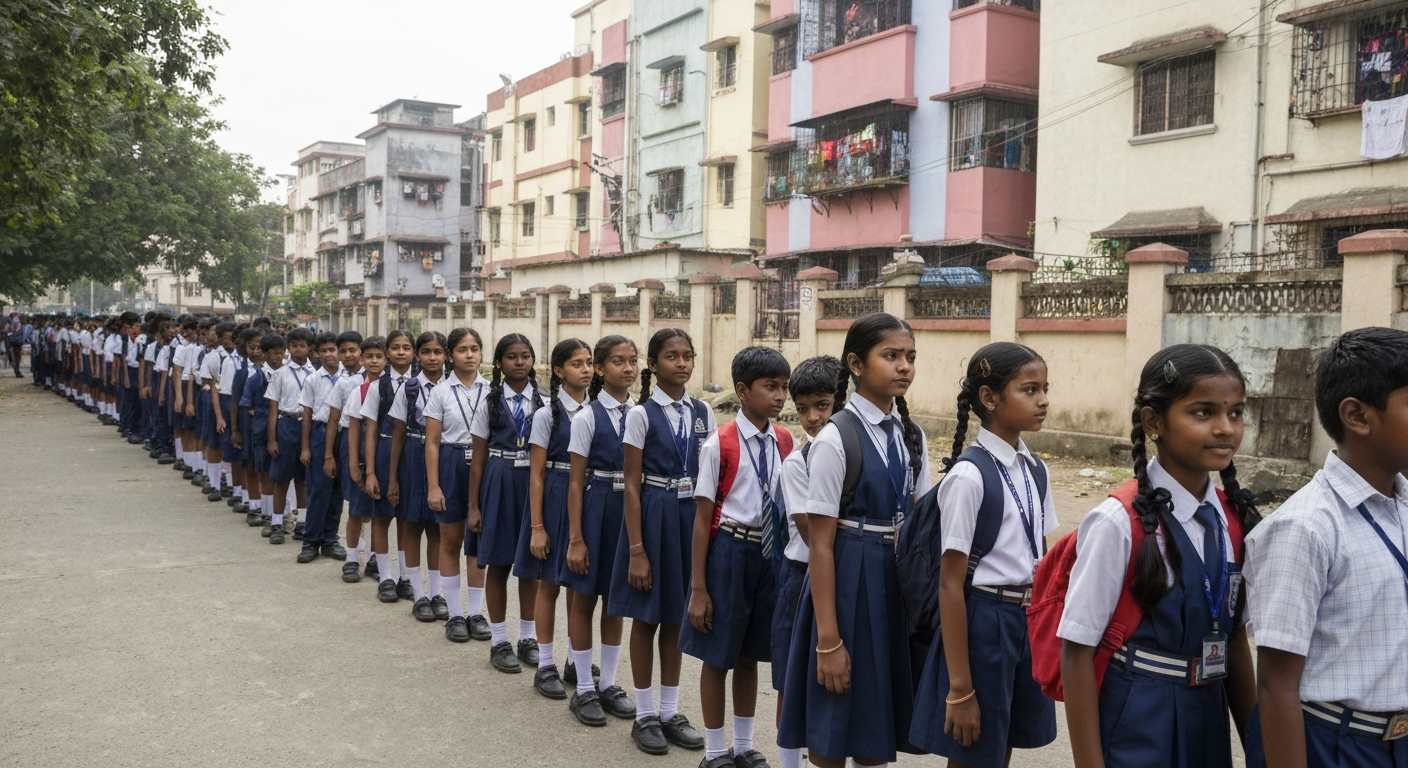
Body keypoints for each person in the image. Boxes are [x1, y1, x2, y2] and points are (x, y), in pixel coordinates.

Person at [1058, 344, 1260, 768]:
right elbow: (1076, 653)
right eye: (1203, 413)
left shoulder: (1234, 518)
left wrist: (1258, 749)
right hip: (1139, 719)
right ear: (1154, 421)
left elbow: (1235, 640)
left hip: (1207, 712)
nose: (1225, 428)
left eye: (1236, 412)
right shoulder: (1118, 522)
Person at [1245, 327, 1408, 768]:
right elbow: (1276, 684)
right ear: (1357, 416)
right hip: (1334, 744)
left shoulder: (1404, 504)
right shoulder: (1305, 528)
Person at [777, 312, 932, 768]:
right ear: (857, 365)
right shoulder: (835, 439)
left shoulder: (911, 435)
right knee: (832, 716)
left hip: (893, 585)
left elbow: (921, 521)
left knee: (874, 719)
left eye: (910, 357)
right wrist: (828, 640)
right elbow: (821, 545)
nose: (904, 366)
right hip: (846, 582)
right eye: (891, 356)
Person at [909, 342, 1058, 768]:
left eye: (1045, 389)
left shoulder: (1035, 469)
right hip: (982, 623)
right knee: (971, 747)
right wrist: (960, 688)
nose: (1043, 400)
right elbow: (950, 584)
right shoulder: (969, 476)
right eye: (1030, 389)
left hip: (1023, 620)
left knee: (1001, 744)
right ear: (990, 398)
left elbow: (1040, 559)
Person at [682, 346, 794, 768]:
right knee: (718, 654)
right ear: (743, 391)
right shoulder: (720, 444)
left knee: (750, 654)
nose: (780, 396)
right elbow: (702, 517)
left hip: (769, 554)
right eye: (771, 387)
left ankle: (744, 746)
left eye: (784, 387)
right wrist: (698, 587)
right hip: (729, 550)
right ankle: (714, 751)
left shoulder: (785, 440)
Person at [610, 327, 713, 756]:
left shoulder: (704, 411)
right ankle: (646, 714)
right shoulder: (640, 414)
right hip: (652, 514)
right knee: (646, 617)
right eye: (672, 356)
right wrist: (637, 550)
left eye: (687, 355)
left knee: (676, 617)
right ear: (653, 365)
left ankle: (670, 712)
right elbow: (631, 485)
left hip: (688, 517)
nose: (683, 363)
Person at [563, 335, 640, 726]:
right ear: (599, 369)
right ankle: (584, 688)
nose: (627, 368)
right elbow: (575, 482)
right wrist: (575, 537)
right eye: (616, 361)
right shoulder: (587, 417)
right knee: (583, 597)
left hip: (629, 511)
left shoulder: (641, 414)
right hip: (597, 508)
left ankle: (608, 683)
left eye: (632, 361)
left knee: (616, 599)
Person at [773, 355, 840, 768]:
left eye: (822, 405)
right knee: (792, 682)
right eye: (802, 409)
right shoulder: (797, 463)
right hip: (803, 576)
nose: (812, 418)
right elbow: (817, 535)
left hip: (845, 575)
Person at [517, 338, 592, 699]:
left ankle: (576, 660)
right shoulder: (547, 414)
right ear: (559, 371)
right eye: (577, 363)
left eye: (590, 362)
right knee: (549, 583)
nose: (587, 369)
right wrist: (537, 526)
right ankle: (544, 663)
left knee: (580, 587)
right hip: (555, 497)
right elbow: (536, 474)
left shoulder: (599, 412)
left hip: (588, 501)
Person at [468, 333, 545, 674]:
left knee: (530, 566)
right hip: (499, 479)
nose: (519, 362)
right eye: (511, 356)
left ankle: (527, 637)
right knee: (498, 564)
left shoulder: (545, 401)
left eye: (525, 356)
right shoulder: (489, 401)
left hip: (533, 482)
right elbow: (478, 458)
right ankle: (499, 640)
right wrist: (474, 505)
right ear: (498, 363)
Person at [424, 327, 489, 640]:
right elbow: (433, 442)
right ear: (450, 356)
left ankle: (476, 613)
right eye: (462, 349)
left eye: (475, 348)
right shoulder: (440, 392)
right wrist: (434, 485)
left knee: (477, 541)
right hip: (451, 462)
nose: (470, 355)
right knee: (450, 540)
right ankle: (454, 613)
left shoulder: (491, 390)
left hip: (483, 466)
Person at [387, 331, 448, 620]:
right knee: (411, 525)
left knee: (437, 528)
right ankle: (418, 593)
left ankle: (437, 592)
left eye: (438, 351)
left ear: (445, 354)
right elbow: (398, 436)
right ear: (417, 356)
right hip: (413, 454)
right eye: (426, 352)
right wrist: (393, 478)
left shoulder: (453, 387)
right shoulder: (408, 388)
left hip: (442, 458)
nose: (432, 357)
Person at [362, 329, 417, 602]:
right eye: (395, 347)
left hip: (413, 454)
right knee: (382, 516)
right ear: (387, 354)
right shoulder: (376, 387)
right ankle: (385, 577)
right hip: (384, 450)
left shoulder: (421, 385)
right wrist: (370, 471)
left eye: (407, 347)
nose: (401, 352)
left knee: (407, 519)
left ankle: (406, 576)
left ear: (414, 353)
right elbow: (370, 431)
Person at [296, 331, 347, 562]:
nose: (329, 355)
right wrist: (305, 447)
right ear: (316, 354)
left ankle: (330, 538)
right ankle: (311, 541)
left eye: (333, 350)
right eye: (324, 351)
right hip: (320, 431)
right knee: (318, 489)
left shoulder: (350, 378)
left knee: (337, 490)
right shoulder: (313, 379)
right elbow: (307, 415)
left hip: (344, 433)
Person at [325, 335, 369, 580]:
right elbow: (333, 420)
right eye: (344, 351)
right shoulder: (343, 383)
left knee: (375, 506)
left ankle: (373, 557)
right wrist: (329, 454)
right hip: (348, 439)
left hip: (375, 440)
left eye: (354, 350)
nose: (349, 355)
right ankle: (352, 559)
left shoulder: (381, 380)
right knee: (355, 503)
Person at [342, 336, 386, 581]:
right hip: (360, 453)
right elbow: (354, 428)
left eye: (379, 356)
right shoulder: (359, 390)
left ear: (386, 358)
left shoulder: (394, 387)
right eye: (369, 356)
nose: (374, 361)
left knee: (379, 512)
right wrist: (353, 464)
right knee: (357, 510)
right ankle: (350, 559)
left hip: (384, 453)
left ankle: (373, 558)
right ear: (362, 359)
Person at [266, 327, 315, 539]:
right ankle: (277, 523)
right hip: (286, 424)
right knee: (281, 478)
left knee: (303, 479)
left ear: (310, 348)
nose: (297, 349)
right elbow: (273, 408)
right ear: (288, 348)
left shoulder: (316, 374)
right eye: (293, 345)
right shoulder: (280, 374)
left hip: (309, 426)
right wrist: (272, 439)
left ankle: (302, 523)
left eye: (302, 345)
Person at [240, 333, 284, 540]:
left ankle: (284, 514)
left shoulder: (288, 374)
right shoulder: (256, 378)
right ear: (265, 354)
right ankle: (267, 515)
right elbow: (246, 404)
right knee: (264, 472)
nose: (280, 356)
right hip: (261, 428)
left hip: (285, 428)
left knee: (284, 473)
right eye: (275, 353)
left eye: (282, 352)